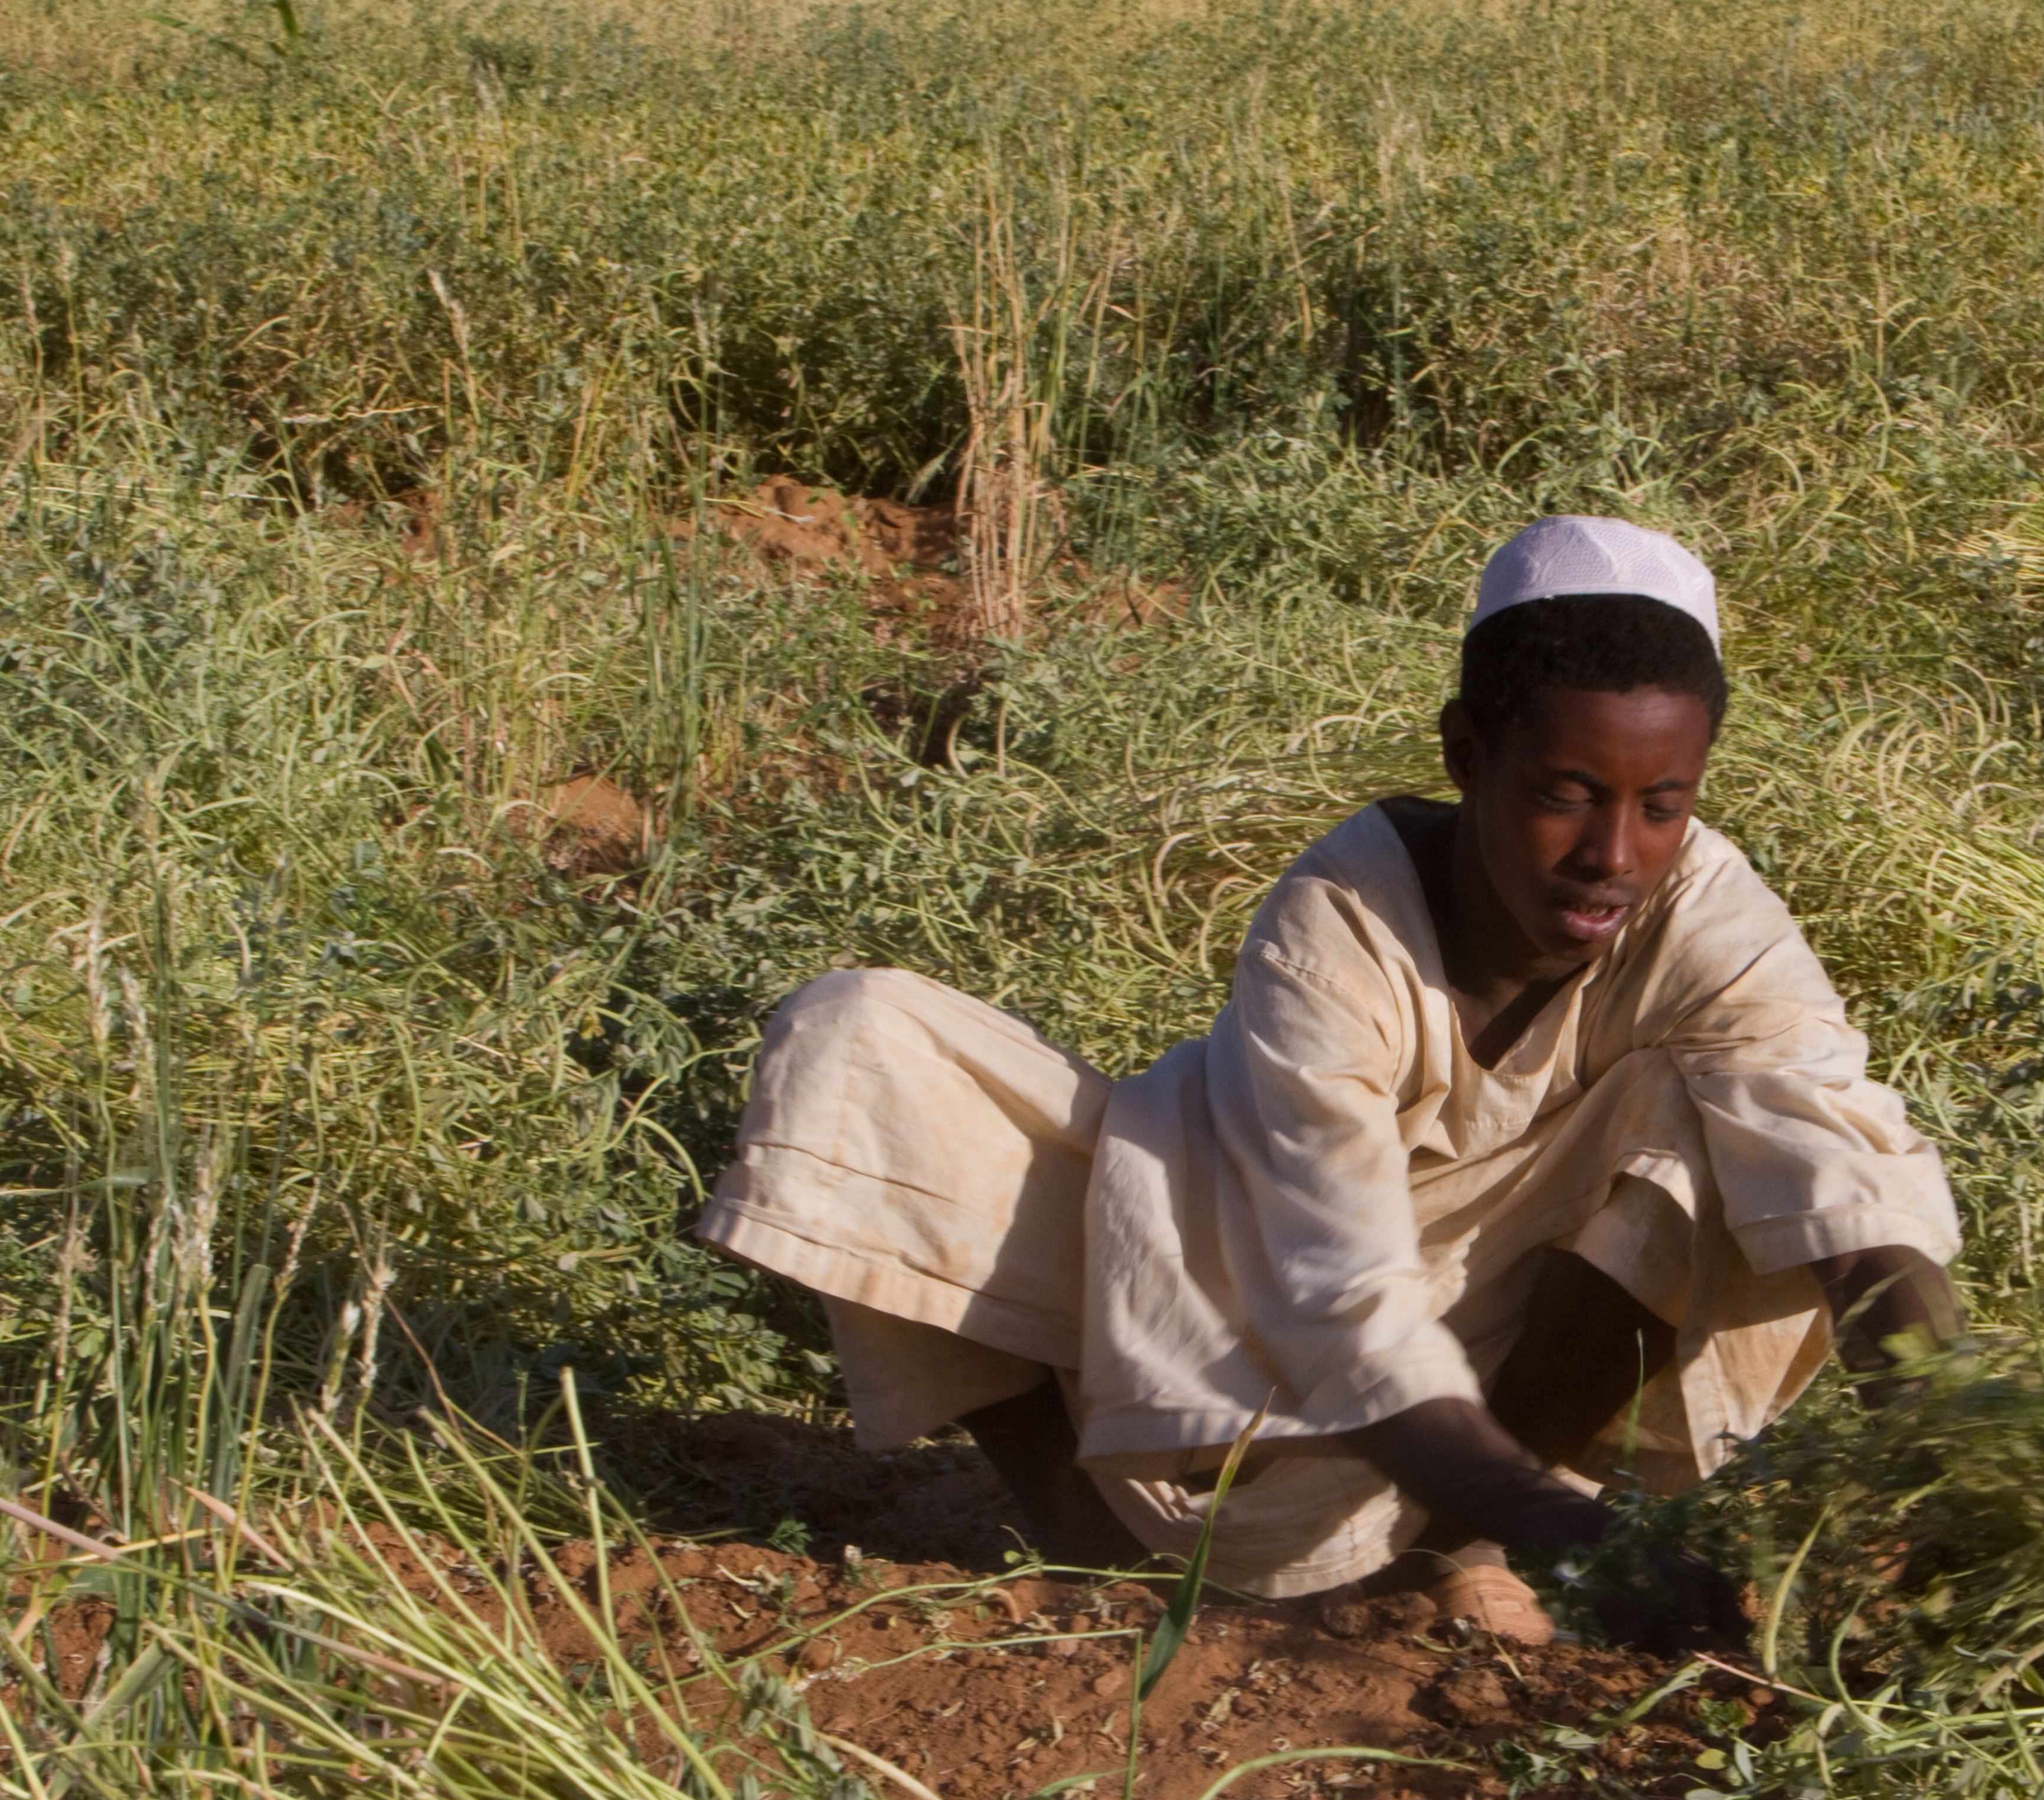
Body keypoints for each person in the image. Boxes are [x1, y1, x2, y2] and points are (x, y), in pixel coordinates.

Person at [695, 516, 1964, 1648]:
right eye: (1564, 796)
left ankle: (1458, 1558)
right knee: (856, 1035)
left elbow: (1845, 1172)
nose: (1611, 857)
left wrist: (1965, 1456)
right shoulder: (1336, 922)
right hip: (1227, 1303)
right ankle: (1088, 1547)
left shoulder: (1709, 915)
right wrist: (1574, 1539)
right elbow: (1339, 1296)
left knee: (1729, 1128)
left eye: (1661, 805)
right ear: (1467, 752)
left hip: (1494, 1384)